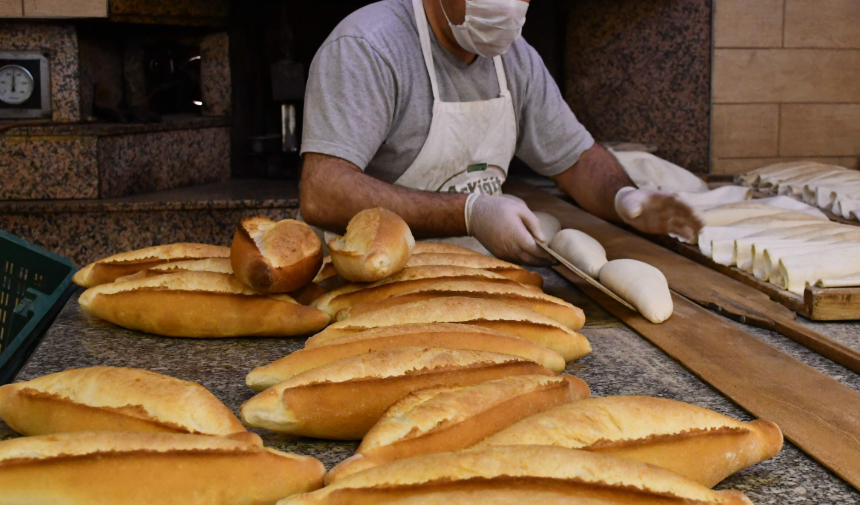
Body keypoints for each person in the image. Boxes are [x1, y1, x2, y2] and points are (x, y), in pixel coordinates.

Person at [299, 0, 702, 264]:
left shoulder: (517, 60)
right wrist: (470, 212)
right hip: (365, 284)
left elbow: (577, 160)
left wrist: (623, 195)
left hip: (475, 282)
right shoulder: (370, 46)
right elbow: (321, 192)